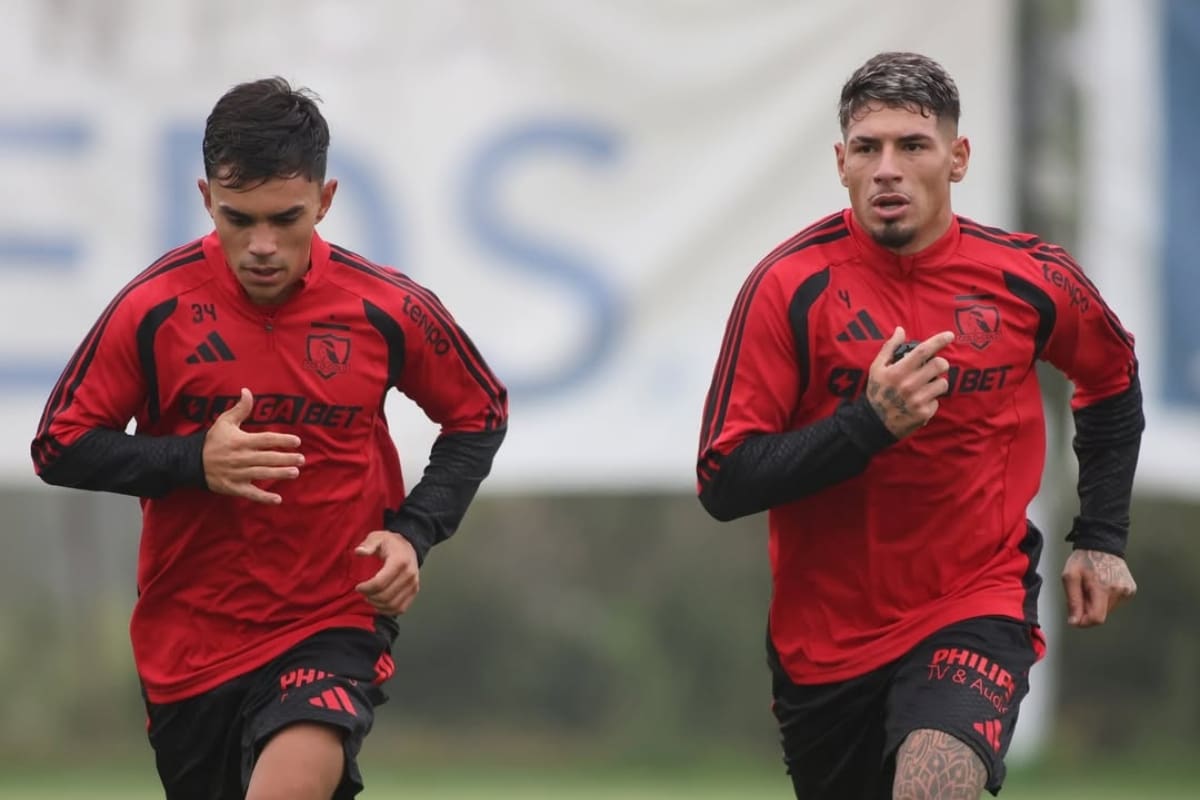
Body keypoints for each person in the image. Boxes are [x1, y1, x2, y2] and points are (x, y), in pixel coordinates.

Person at [31, 77, 507, 800]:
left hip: (331, 619)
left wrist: (414, 531)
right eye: (237, 218)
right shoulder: (152, 309)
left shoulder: (389, 309)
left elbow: (480, 413)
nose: (260, 246)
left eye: (285, 218)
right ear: (204, 199)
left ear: (326, 199)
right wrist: (193, 459)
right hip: (189, 643)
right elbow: (59, 445)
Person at [696, 51, 1142, 799]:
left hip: (975, 602)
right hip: (825, 644)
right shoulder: (787, 287)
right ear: (841, 163)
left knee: (933, 787)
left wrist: (1101, 537)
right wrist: (867, 424)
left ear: (958, 158)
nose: (888, 169)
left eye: (913, 145)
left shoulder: (1032, 279)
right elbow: (725, 479)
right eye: (867, 148)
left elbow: (1111, 377)